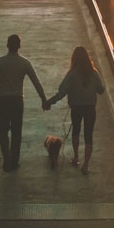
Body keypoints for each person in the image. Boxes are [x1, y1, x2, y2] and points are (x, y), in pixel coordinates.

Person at [0, 34, 47, 172]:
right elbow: (36, 82)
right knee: (16, 131)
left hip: (2, 100)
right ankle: (14, 160)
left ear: (7, 45)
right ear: (19, 46)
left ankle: (6, 156)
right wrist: (43, 99)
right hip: (17, 100)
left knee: (1, 130)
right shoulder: (24, 63)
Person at [44, 46, 104, 175]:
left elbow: (61, 92)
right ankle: (86, 165)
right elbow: (101, 90)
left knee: (75, 131)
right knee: (89, 136)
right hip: (90, 108)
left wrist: (49, 102)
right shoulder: (94, 73)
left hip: (76, 107)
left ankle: (76, 157)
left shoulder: (72, 74)